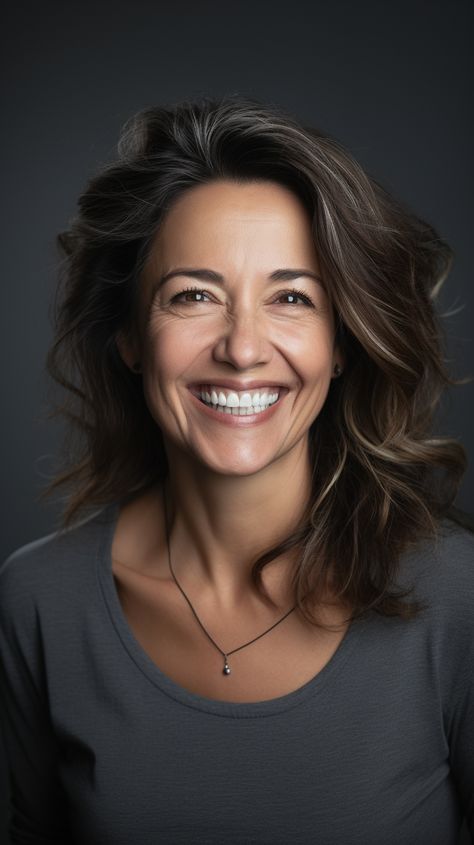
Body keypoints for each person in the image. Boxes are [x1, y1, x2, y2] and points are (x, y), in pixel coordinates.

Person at [0, 94, 472, 845]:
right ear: (128, 335)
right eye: (194, 295)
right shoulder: (38, 603)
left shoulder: (456, 600)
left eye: (291, 297)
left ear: (342, 340)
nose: (243, 347)